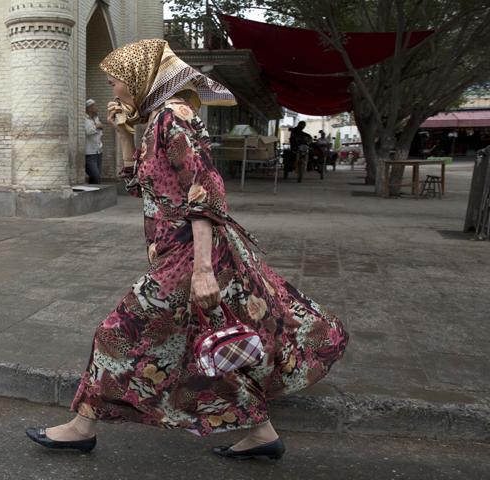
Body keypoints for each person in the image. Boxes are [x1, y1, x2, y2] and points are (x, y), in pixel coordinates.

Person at [25, 39, 349, 460]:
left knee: (114, 334)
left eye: (116, 82)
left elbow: (205, 191)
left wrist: (201, 270)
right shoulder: (159, 118)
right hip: (176, 253)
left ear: (141, 77)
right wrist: (125, 133)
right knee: (205, 343)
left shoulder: (173, 116)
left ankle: (81, 426)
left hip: (186, 256)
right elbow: (142, 187)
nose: (114, 91)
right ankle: (262, 435)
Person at [85, 99, 104, 184]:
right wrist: (96, 126)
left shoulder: (96, 118)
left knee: (97, 175)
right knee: (94, 174)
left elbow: (99, 133)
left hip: (98, 151)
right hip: (89, 152)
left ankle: (93, 193)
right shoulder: (84, 119)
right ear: (89, 108)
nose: (97, 108)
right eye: (95, 106)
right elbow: (87, 132)